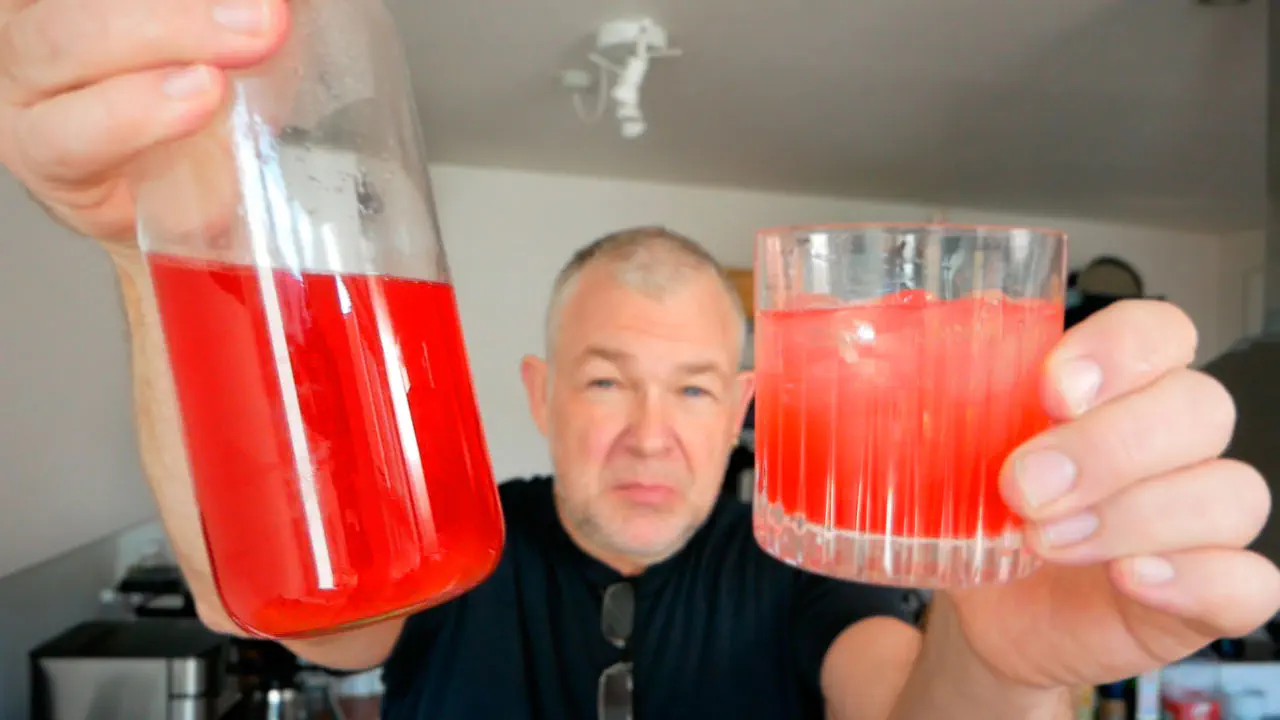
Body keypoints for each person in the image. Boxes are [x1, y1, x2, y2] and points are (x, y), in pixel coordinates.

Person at [2, 2, 1278, 718]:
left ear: (745, 409)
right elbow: (287, 598)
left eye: (694, 387)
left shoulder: (800, 566)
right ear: (541, 395)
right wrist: (152, 238)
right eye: (607, 380)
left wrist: (1001, 664)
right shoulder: (456, 542)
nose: (650, 433)